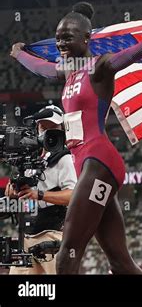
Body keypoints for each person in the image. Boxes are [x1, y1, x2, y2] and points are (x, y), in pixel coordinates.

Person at [10, 1, 142, 274]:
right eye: (58, 37)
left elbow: (128, 55)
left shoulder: (100, 67)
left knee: (67, 253)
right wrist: (19, 54)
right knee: (120, 263)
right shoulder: (68, 71)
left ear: (87, 38)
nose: (60, 43)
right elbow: (42, 68)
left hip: (98, 161)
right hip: (89, 164)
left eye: (67, 37)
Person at [5, 105, 76, 274]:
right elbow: (19, 192)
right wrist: (13, 193)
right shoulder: (29, 157)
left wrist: (40, 195)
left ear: (62, 129)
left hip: (53, 237)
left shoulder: (64, 158)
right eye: (43, 127)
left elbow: (73, 195)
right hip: (26, 236)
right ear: (37, 129)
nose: (47, 133)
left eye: (53, 128)